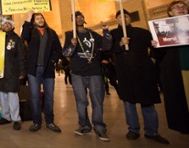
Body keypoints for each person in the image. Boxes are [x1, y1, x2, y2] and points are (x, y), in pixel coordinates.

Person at [111, 9, 170, 144]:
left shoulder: (142, 32)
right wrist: (120, 44)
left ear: (129, 19)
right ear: (117, 20)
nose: (123, 19)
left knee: (147, 102)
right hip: (125, 73)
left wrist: (153, 58)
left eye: (126, 16)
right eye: (120, 17)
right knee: (129, 103)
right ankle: (133, 129)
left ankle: (152, 131)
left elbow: (155, 46)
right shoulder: (113, 34)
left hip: (144, 72)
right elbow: (107, 49)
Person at [62, 11, 112, 142]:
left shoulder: (92, 34)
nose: (78, 19)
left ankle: (99, 127)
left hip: (94, 72)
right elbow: (66, 53)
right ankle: (84, 125)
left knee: (97, 101)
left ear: (84, 19)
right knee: (81, 102)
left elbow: (107, 46)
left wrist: (106, 31)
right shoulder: (69, 35)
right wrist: (72, 45)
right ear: (72, 20)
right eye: (75, 17)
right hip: (78, 73)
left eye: (80, 16)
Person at [21, 10, 63, 133]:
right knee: (35, 97)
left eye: (41, 18)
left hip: (48, 69)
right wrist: (29, 18)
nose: (40, 20)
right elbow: (24, 36)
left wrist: (53, 61)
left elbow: (58, 50)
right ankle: (36, 122)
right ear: (34, 21)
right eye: (37, 18)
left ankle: (50, 121)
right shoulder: (31, 32)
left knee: (49, 97)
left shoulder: (52, 33)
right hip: (33, 70)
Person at [153, 0, 189, 134]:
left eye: (183, 6)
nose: (181, 9)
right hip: (176, 70)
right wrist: (155, 45)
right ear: (169, 12)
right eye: (176, 7)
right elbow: (157, 55)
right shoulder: (163, 29)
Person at [0, 18, 25, 130]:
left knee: (12, 95)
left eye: (8, 24)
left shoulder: (16, 39)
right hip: (0, 71)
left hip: (12, 71)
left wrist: (21, 71)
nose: (6, 25)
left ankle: (16, 119)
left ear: (12, 26)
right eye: (4, 24)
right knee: (2, 95)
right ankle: (5, 116)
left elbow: (21, 56)